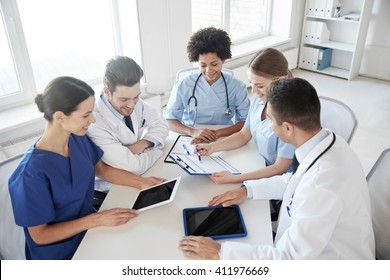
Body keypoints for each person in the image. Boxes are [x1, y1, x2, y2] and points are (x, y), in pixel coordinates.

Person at [179, 77, 375, 260]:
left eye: (270, 119)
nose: (268, 125)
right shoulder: (328, 141)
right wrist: (249, 190)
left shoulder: (321, 185)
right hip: (317, 243)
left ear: (288, 128)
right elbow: (295, 180)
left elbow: (288, 258)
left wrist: (221, 253)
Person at [8, 76, 164, 260]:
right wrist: (97, 219)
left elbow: (102, 170)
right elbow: (40, 235)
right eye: (85, 115)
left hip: (90, 232)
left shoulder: (77, 139)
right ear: (60, 117)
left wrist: (142, 183)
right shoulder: (29, 174)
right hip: (60, 252)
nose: (93, 120)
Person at [196, 48, 295, 185]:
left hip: (279, 181)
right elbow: (244, 134)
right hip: (257, 163)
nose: (253, 91)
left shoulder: (290, 115)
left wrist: (236, 178)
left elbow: (280, 168)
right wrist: (213, 147)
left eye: (260, 85)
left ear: (280, 80)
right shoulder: (260, 99)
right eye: (251, 83)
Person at [87, 56, 169, 192]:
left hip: (144, 174)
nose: (131, 105)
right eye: (124, 99)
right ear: (107, 91)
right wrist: (158, 148)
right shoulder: (95, 124)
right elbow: (133, 167)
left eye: (136, 97)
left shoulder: (133, 101)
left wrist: (144, 143)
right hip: (114, 189)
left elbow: (161, 124)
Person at [163, 27, 250, 144]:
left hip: (224, 135)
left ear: (223, 60)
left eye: (214, 64)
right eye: (203, 65)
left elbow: (246, 122)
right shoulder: (184, 84)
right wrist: (193, 132)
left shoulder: (237, 87)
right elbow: (170, 120)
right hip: (190, 134)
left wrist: (216, 134)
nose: (209, 70)